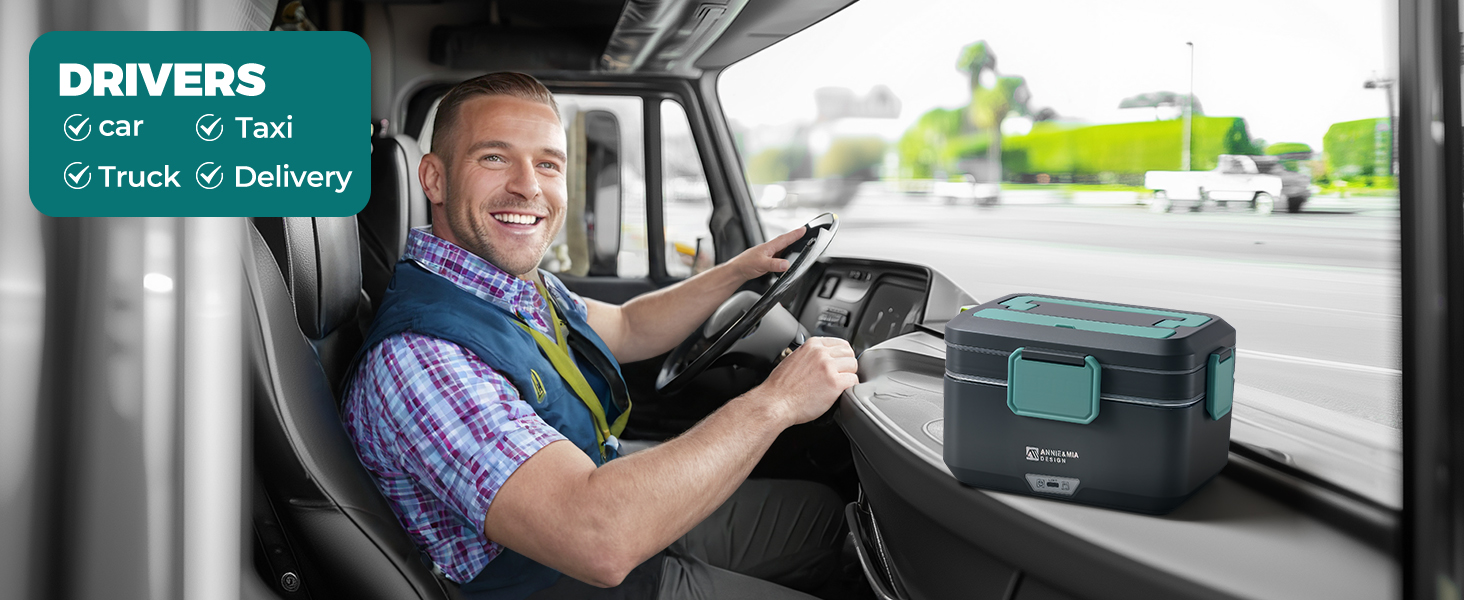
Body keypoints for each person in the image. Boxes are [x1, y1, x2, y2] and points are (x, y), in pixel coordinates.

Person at [342, 72, 860, 600]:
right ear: (433, 179)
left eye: (547, 164)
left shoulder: (512, 286)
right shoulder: (422, 360)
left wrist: (736, 272)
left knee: (825, 520)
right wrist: (778, 401)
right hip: (571, 577)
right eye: (494, 158)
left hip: (611, 514)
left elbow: (628, 325)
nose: (529, 186)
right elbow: (600, 539)